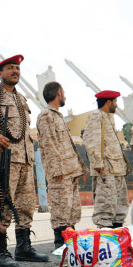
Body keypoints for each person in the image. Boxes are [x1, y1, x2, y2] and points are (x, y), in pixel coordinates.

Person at [0, 55, 48, 267]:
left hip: (25, 160)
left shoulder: (22, 99)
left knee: (25, 206)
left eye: (17, 68)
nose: (15, 71)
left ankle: (23, 248)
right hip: (4, 160)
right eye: (10, 68)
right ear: (0, 73)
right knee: (3, 204)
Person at [36, 81, 89, 249]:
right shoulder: (47, 116)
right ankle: (61, 244)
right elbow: (49, 143)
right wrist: (57, 169)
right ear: (58, 93)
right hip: (61, 172)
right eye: (64, 92)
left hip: (70, 171)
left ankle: (71, 241)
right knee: (61, 209)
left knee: (72, 209)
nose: (65, 96)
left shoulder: (57, 116)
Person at [82, 90, 132, 228]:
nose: (116, 105)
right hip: (106, 169)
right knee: (106, 203)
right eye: (115, 102)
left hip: (116, 168)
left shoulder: (108, 118)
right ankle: (105, 235)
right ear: (108, 102)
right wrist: (98, 163)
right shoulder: (96, 116)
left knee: (120, 204)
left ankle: (117, 231)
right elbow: (92, 140)